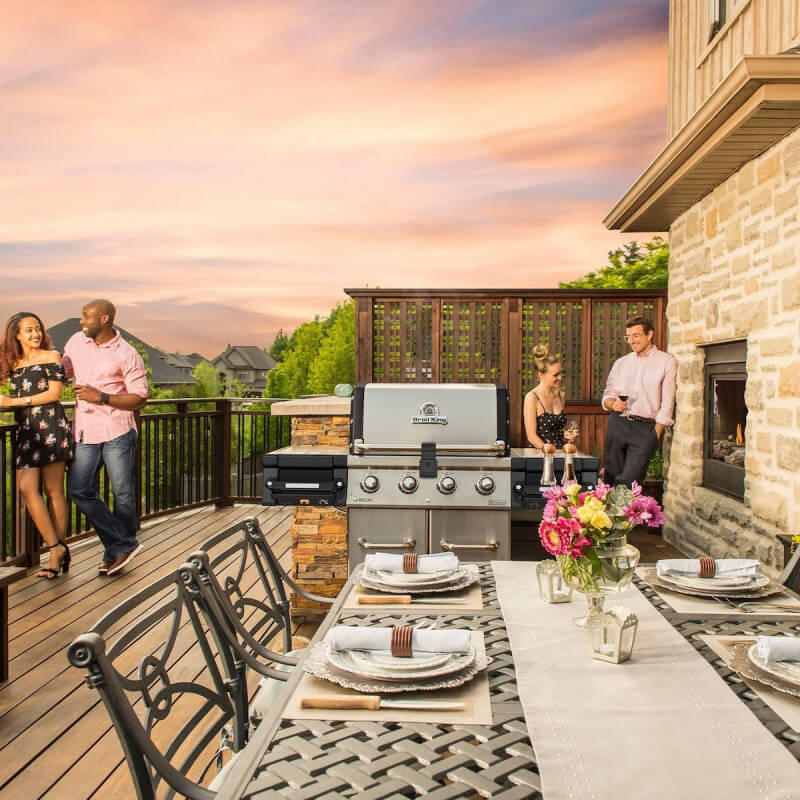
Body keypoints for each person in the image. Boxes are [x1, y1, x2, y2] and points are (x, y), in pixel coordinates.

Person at [62, 299, 148, 576]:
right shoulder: (76, 342)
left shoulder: (127, 353)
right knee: (79, 489)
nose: (81, 321)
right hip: (85, 431)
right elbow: (61, 372)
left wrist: (100, 396)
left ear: (104, 319)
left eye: (86, 316)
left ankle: (115, 553)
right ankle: (123, 545)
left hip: (117, 430)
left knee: (122, 494)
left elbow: (139, 398)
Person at [0, 313, 73, 579]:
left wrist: (13, 402)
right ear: (17, 335)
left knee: (54, 491)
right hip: (26, 431)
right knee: (27, 488)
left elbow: (54, 394)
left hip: (50, 426)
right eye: (29, 330)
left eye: (38, 329)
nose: (35, 334)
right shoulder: (12, 362)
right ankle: (57, 546)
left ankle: (55, 554)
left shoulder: (51, 356)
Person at [601, 316, 676, 487]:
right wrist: (613, 404)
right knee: (610, 479)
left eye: (636, 335)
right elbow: (608, 395)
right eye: (628, 337)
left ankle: (626, 506)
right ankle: (608, 505)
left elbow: (667, 402)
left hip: (645, 429)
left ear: (649, 334)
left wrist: (655, 434)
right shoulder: (621, 363)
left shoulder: (666, 362)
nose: (632, 341)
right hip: (618, 424)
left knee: (630, 482)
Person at [523, 345, 578, 449]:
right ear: (541, 374)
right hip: (540, 453)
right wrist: (549, 451)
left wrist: (565, 434)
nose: (560, 377)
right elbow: (531, 437)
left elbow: (556, 431)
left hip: (560, 452)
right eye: (555, 375)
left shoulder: (560, 395)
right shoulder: (532, 397)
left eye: (560, 373)